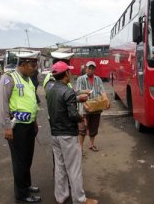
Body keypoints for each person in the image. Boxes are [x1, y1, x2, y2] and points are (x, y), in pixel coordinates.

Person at [46, 61, 98, 204]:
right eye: (69, 71)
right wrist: (81, 118)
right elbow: (72, 114)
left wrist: (78, 96)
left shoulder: (50, 89)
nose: (71, 73)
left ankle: (61, 196)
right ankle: (80, 200)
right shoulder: (67, 90)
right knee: (74, 168)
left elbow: (61, 104)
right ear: (66, 74)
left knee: (60, 167)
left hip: (55, 134)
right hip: (67, 134)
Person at [0, 52, 41, 203]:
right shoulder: (9, 78)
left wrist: (34, 120)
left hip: (29, 125)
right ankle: (21, 195)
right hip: (17, 127)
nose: (34, 69)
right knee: (20, 161)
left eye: (35, 65)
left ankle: (26, 185)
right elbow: (3, 103)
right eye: (32, 65)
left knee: (27, 158)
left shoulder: (28, 79)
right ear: (22, 64)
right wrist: (7, 127)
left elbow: (30, 102)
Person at [76, 61, 110, 154]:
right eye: (89, 68)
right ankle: (81, 148)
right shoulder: (80, 79)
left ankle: (91, 144)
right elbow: (78, 92)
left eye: (92, 68)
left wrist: (106, 99)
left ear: (94, 69)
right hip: (84, 108)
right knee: (82, 129)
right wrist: (85, 92)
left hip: (96, 107)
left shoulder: (98, 79)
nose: (90, 70)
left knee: (94, 127)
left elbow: (102, 90)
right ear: (86, 68)